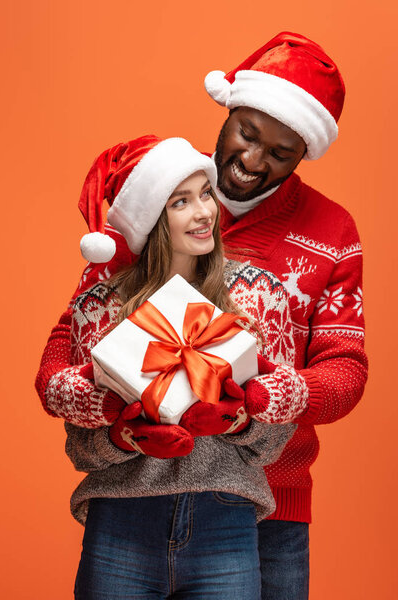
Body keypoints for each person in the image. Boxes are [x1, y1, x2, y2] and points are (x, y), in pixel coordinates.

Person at [36, 32, 368, 599]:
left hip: (271, 497)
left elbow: (346, 370)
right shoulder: (152, 197)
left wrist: (262, 400)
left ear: (302, 155)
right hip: (134, 498)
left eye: (280, 153)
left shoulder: (329, 235)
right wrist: (102, 407)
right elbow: (72, 342)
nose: (251, 160)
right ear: (229, 111)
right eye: (246, 133)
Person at [53, 134, 296, 598]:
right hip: (120, 524)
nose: (204, 212)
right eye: (180, 202)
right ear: (151, 220)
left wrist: (238, 419)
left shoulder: (258, 295)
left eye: (206, 193)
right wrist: (125, 436)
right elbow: (80, 450)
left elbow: (276, 439)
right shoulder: (102, 306)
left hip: (225, 518)